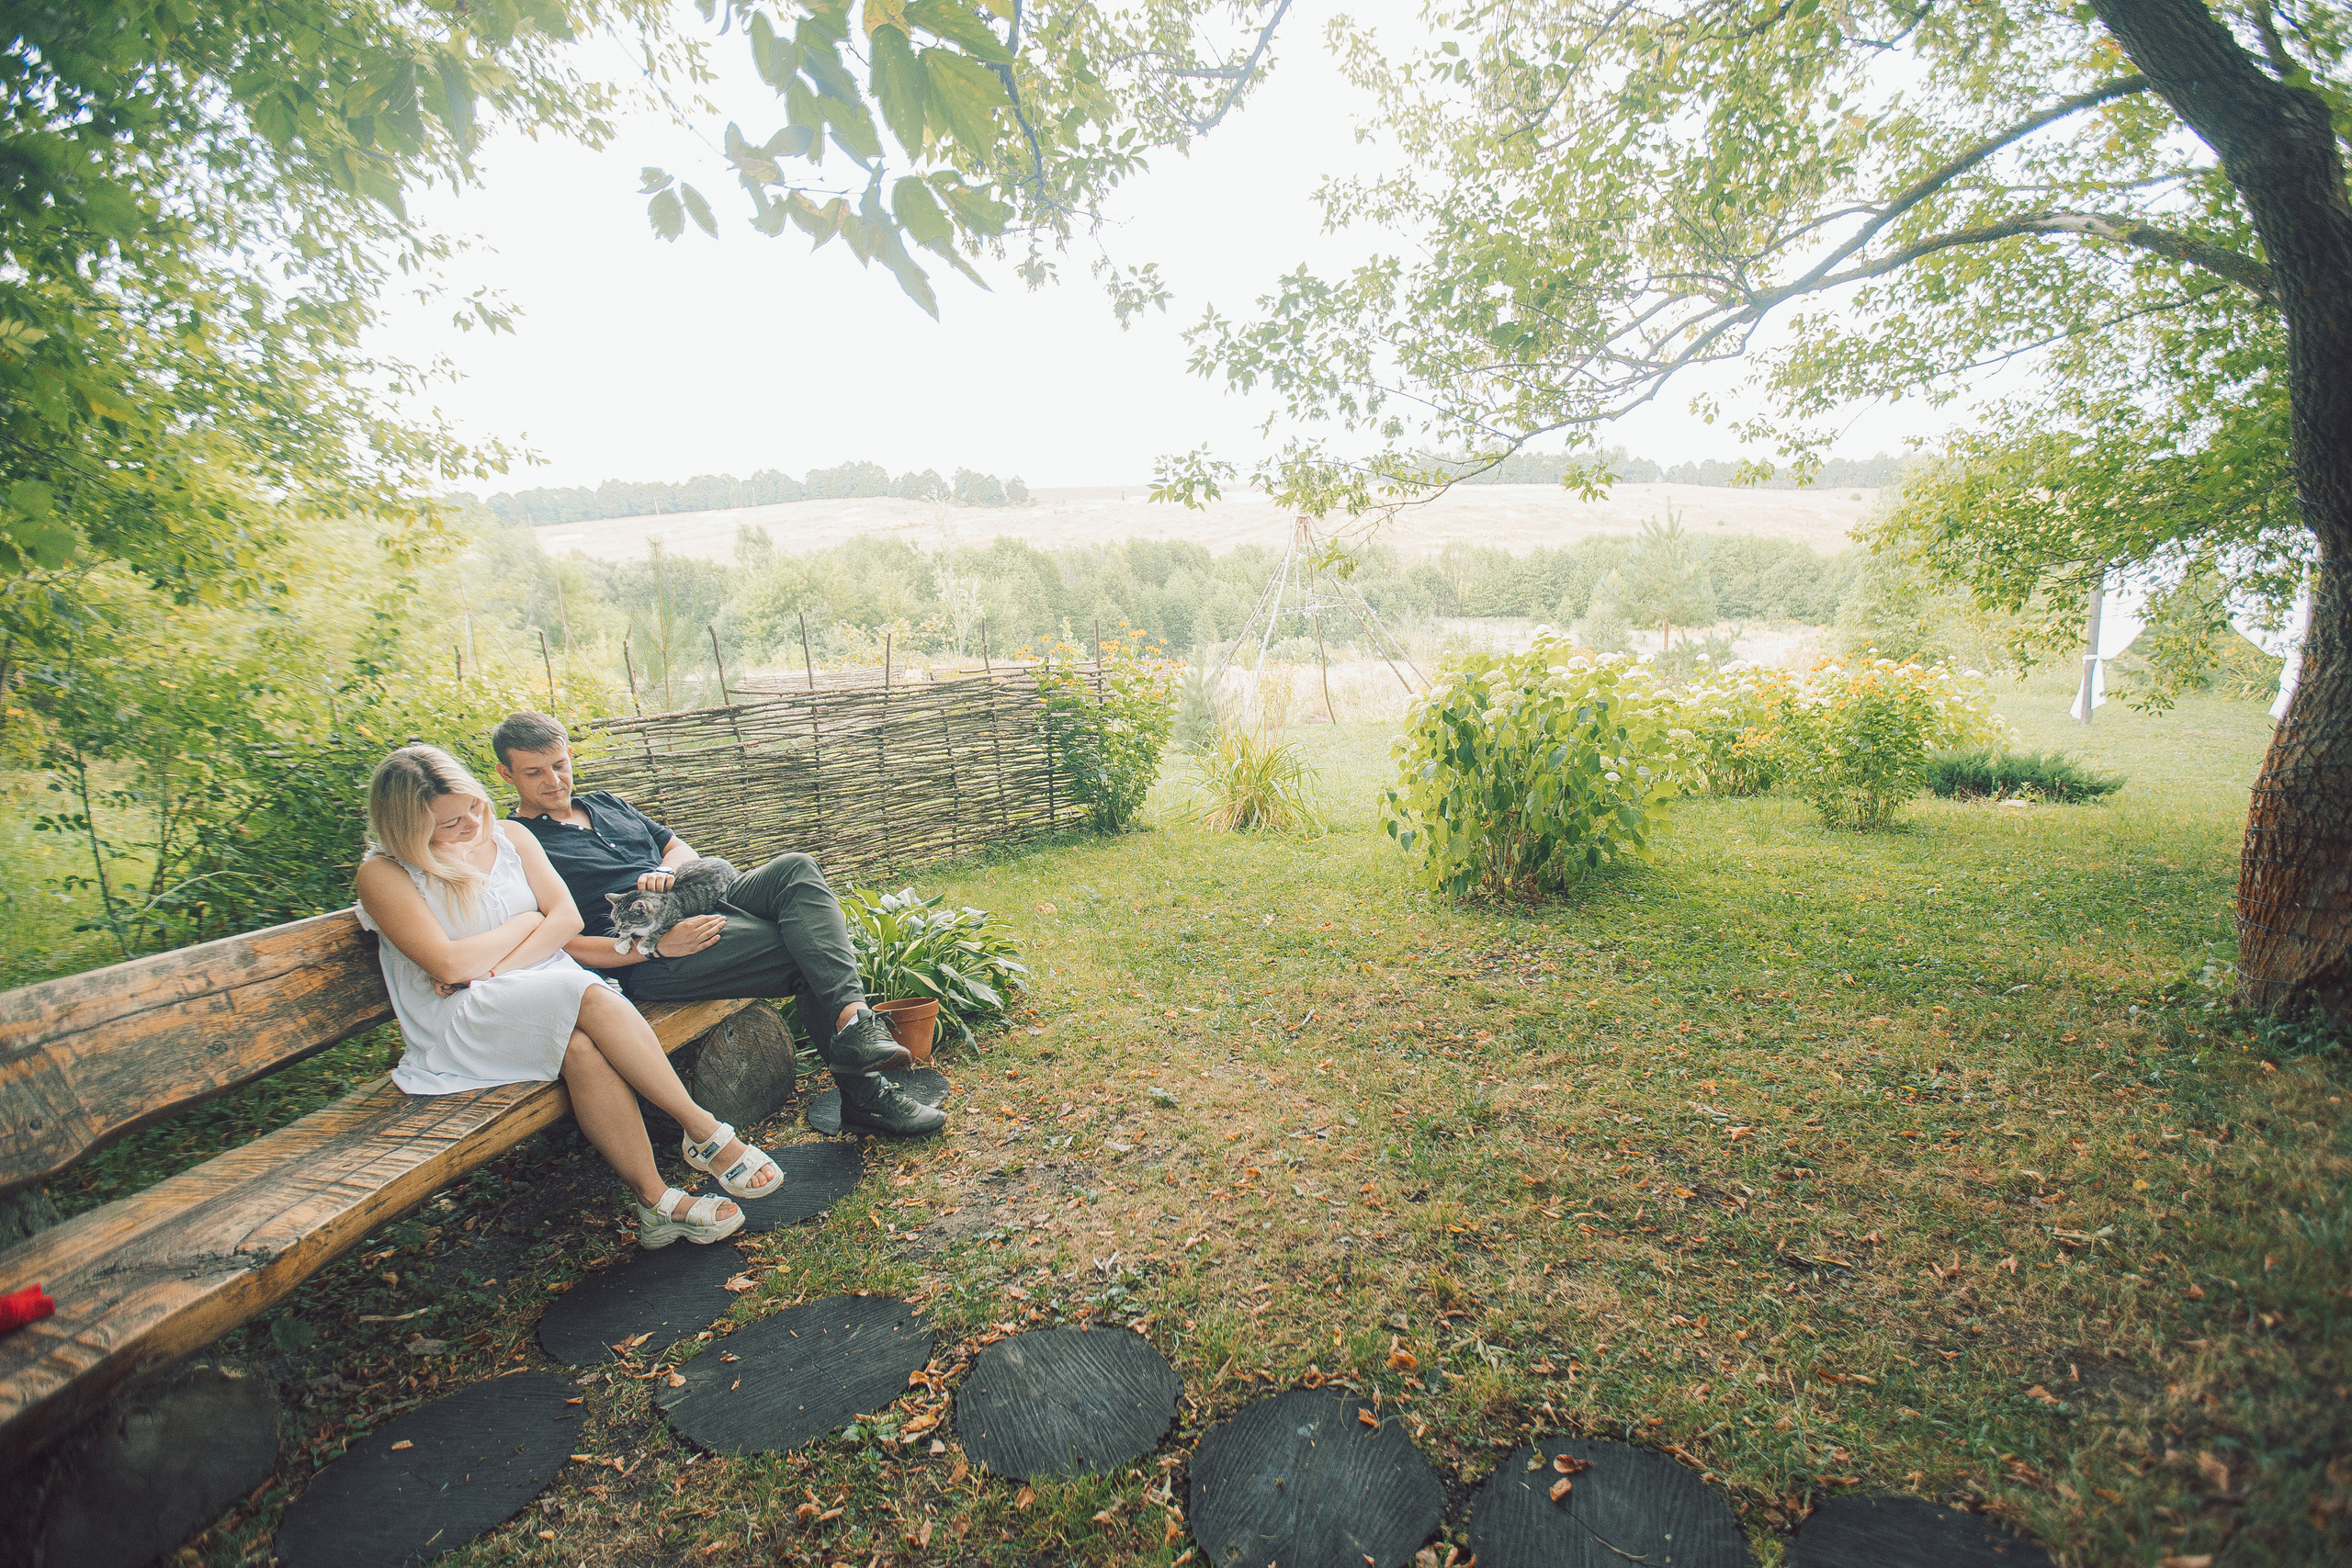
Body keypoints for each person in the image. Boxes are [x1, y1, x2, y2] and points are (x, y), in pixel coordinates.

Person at [355, 745, 783, 1247]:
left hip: (533, 986)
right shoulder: (384, 874)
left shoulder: (510, 836)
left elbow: (567, 920)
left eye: (473, 806)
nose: (471, 824)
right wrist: (527, 923)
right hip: (463, 1015)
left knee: (580, 1046)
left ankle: (655, 1204)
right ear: (405, 826)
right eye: (448, 823)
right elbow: (447, 966)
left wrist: (494, 960)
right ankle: (705, 1132)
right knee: (584, 993)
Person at [489, 711, 947, 1136]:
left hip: (701, 897)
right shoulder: (519, 846)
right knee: (804, 950)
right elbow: (556, 941)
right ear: (506, 775)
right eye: (535, 773)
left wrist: (668, 871)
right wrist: (654, 948)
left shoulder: (605, 803)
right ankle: (865, 1092)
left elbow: (680, 849)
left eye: (559, 765)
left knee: (796, 866)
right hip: (655, 954)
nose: (554, 781)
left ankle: (853, 1022)